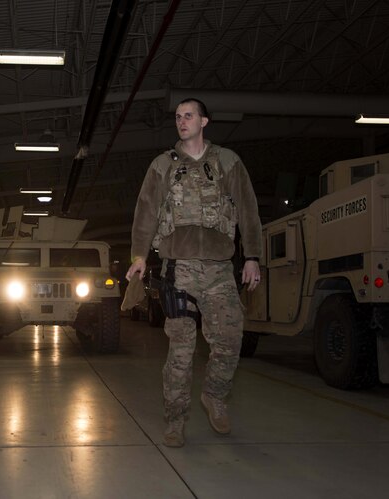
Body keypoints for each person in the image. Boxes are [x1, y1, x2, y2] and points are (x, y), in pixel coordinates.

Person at [126, 98, 262, 447]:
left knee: (230, 340)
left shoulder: (228, 161)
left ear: (204, 121)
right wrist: (139, 256)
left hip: (219, 269)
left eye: (188, 116)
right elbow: (146, 212)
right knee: (181, 350)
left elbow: (247, 209)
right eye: (177, 117)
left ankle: (214, 397)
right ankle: (175, 419)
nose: (181, 122)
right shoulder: (162, 165)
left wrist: (252, 256)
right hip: (179, 269)